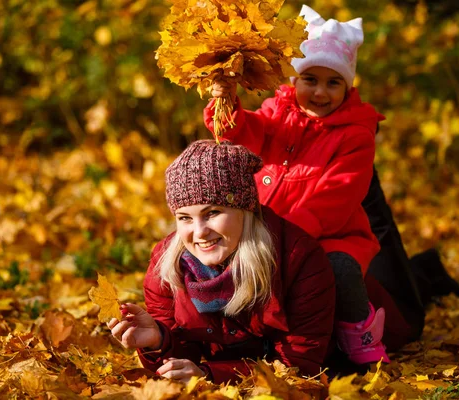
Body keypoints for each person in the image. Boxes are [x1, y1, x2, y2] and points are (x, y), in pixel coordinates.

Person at [207, 5, 389, 366]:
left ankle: (359, 332)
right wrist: (223, 102)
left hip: (328, 235)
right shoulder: (278, 112)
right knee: (229, 261)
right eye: (311, 80)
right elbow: (242, 134)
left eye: (333, 82)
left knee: (340, 268)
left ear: (347, 85)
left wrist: (288, 234)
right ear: (295, 80)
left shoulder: (355, 133)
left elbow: (338, 194)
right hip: (267, 230)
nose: (320, 92)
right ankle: (240, 334)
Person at [107, 140, 337, 384]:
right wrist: (158, 340)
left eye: (212, 213)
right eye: (185, 218)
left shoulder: (297, 257)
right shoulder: (166, 263)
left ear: (245, 208)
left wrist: (212, 376)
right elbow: (184, 361)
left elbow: (299, 365)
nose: (199, 232)